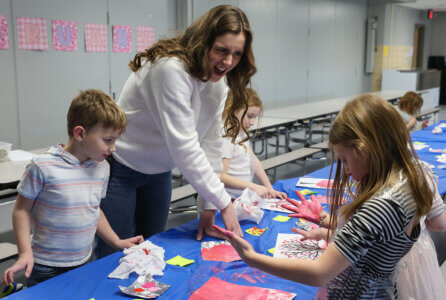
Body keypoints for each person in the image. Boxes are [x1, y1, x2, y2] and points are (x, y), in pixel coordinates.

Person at [218, 94, 435, 299]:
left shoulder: (381, 206)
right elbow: (372, 240)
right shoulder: (408, 177)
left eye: (345, 160)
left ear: (364, 150)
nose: (346, 170)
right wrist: (326, 227)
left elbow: (319, 273)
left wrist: (252, 258)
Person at [95, 5, 257, 258]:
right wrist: (225, 204)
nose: (228, 62)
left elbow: (212, 144)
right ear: (204, 42)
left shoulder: (217, 83)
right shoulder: (170, 69)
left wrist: (209, 206)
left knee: (151, 251)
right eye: (221, 50)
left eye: (237, 54)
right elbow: (185, 146)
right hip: (123, 167)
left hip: (159, 172)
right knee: (113, 254)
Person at [2, 90, 144, 287]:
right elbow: (21, 210)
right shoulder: (43, 167)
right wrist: (25, 252)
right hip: (46, 265)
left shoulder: (102, 167)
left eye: (115, 141)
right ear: (80, 133)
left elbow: (93, 209)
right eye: (108, 140)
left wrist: (116, 242)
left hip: (85, 260)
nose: (113, 148)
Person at [220, 88, 287, 200]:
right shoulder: (226, 138)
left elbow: (253, 161)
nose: (252, 122)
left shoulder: (241, 133)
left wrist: (269, 188)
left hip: (242, 197)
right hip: (228, 199)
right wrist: (254, 187)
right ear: (232, 109)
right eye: (249, 116)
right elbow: (222, 177)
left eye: (254, 117)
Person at [396, 164, 446, 300]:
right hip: (414, 256)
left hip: (396, 262)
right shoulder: (418, 173)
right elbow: (440, 223)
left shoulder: (370, 174)